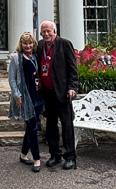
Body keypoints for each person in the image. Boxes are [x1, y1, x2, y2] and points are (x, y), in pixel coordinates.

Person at [36, 20, 79, 170]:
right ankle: (55, 155)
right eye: (43, 32)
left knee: (67, 125)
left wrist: (72, 87)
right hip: (47, 93)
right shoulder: (40, 46)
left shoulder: (65, 44)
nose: (46, 34)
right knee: (50, 126)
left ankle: (70, 157)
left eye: (49, 31)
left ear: (55, 31)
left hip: (62, 92)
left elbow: (73, 69)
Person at [8, 31, 43, 172]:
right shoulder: (16, 58)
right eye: (25, 43)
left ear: (34, 44)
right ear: (21, 44)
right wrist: (17, 96)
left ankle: (23, 155)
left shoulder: (36, 56)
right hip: (25, 97)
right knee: (32, 127)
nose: (28, 46)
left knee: (31, 126)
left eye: (30, 43)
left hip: (38, 96)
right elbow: (11, 79)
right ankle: (37, 158)